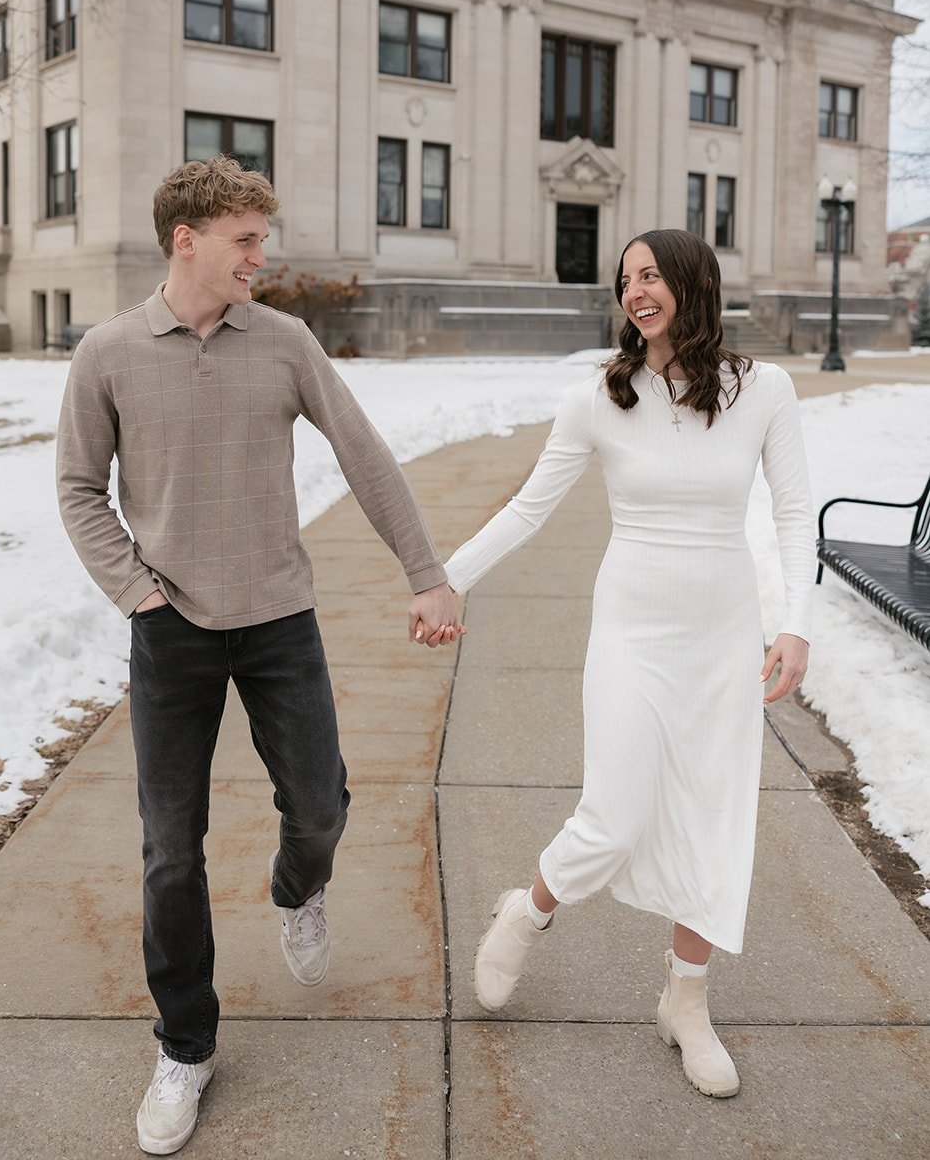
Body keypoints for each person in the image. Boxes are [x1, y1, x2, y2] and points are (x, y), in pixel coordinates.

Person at [57, 157, 461, 1156]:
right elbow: (76, 489)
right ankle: (184, 1046)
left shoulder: (282, 341)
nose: (260, 256)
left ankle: (297, 887)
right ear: (184, 239)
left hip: (279, 616)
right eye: (245, 238)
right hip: (171, 632)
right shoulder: (106, 353)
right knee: (168, 848)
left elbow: (362, 453)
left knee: (318, 804)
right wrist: (137, 593)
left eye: (262, 238)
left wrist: (426, 571)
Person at [419, 229, 812, 1099]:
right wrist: (444, 582)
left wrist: (796, 626)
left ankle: (685, 1002)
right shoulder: (602, 396)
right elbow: (527, 509)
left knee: (713, 823)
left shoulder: (764, 389)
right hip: (631, 633)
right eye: (625, 279)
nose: (635, 291)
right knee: (615, 811)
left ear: (689, 284)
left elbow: (792, 511)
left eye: (650, 275)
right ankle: (528, 913)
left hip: (722, 636)